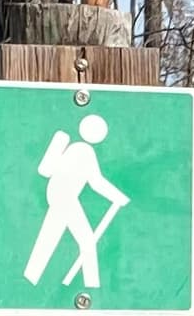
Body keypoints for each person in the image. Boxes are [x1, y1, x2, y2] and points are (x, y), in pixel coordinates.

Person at [25, 111, 128, 292]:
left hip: (59, 196)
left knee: (48, 238)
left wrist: (117, 196)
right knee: (86, 240)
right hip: (64, 198)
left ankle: (30, 279)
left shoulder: (76, 148)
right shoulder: (84, 151)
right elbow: (96, 182)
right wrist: (117, 196)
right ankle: (92, 287)